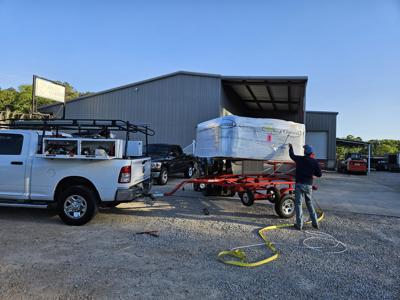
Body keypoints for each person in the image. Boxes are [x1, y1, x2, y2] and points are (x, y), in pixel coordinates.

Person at [288, 143, 322, 230]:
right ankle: (315, 223)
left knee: (298, 204)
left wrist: (291, 147)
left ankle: (299, 225)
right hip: (308, 186)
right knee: (309, 203)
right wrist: (312, 175)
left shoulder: (300, 159)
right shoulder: (315, 162)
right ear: (311, 153)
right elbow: (319, 174)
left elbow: (292, 155)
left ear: (305, 152)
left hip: (299, 185)